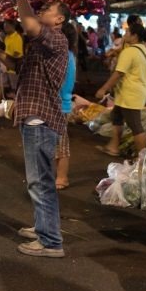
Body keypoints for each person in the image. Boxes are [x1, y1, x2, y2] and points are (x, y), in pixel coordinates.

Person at [0, 0, 70, 258]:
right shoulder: (41, 45)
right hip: (35, 120)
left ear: (59, 20)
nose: (43, 10)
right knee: (39, 180)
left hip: (41, 121)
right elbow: (14, 65)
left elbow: (31, 25)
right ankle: (43, 227)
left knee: (40, 182)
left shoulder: (56, 39)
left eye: (49, 9)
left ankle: (51, 241)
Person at [95, 23, 146, 157]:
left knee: (135, 126)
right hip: (134, 91)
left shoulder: (130, 52)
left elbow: (118, 73)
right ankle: (113, 147)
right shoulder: (144, 50)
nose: (125, 35)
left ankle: (142, 160)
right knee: (117, 117)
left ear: (135, 36)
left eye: (127, 32)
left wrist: (103, 88)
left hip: (131, 93)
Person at [55, 22, 78, 190]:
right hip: (58, 103)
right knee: (55, 142)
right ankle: (58, 176)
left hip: (59, 104)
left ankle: (62, 178)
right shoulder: (68, 54)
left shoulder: (64, 56)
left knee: (61, 144)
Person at [3, 19, 24, 97]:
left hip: (14, 68)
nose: (5, 28)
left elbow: (17, 53)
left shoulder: (17, 37)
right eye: (4, 26)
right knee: (7, 88)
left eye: (7, 26)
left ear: (13, 26)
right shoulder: (7, 37)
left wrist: (9, 63)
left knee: (15, 89)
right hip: (7, 66)